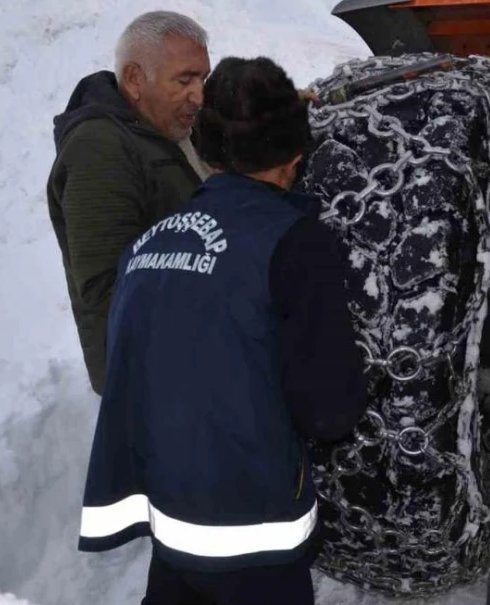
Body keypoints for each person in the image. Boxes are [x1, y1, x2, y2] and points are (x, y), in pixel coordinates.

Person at [75, 55, 370, 605]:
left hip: (171, 526)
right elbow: (329, 410)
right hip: (253, 537)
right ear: (295, 155)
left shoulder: (148, 245)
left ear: (206, 152)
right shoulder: (294, 242)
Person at [47, 11, 213, 395]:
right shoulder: (100, 149)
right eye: (184, 79)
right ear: (135, 80)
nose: (199, 94)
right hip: (152, 371)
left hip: (192, 347)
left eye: (202, 78)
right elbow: (110, 289)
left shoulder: (163, 126)